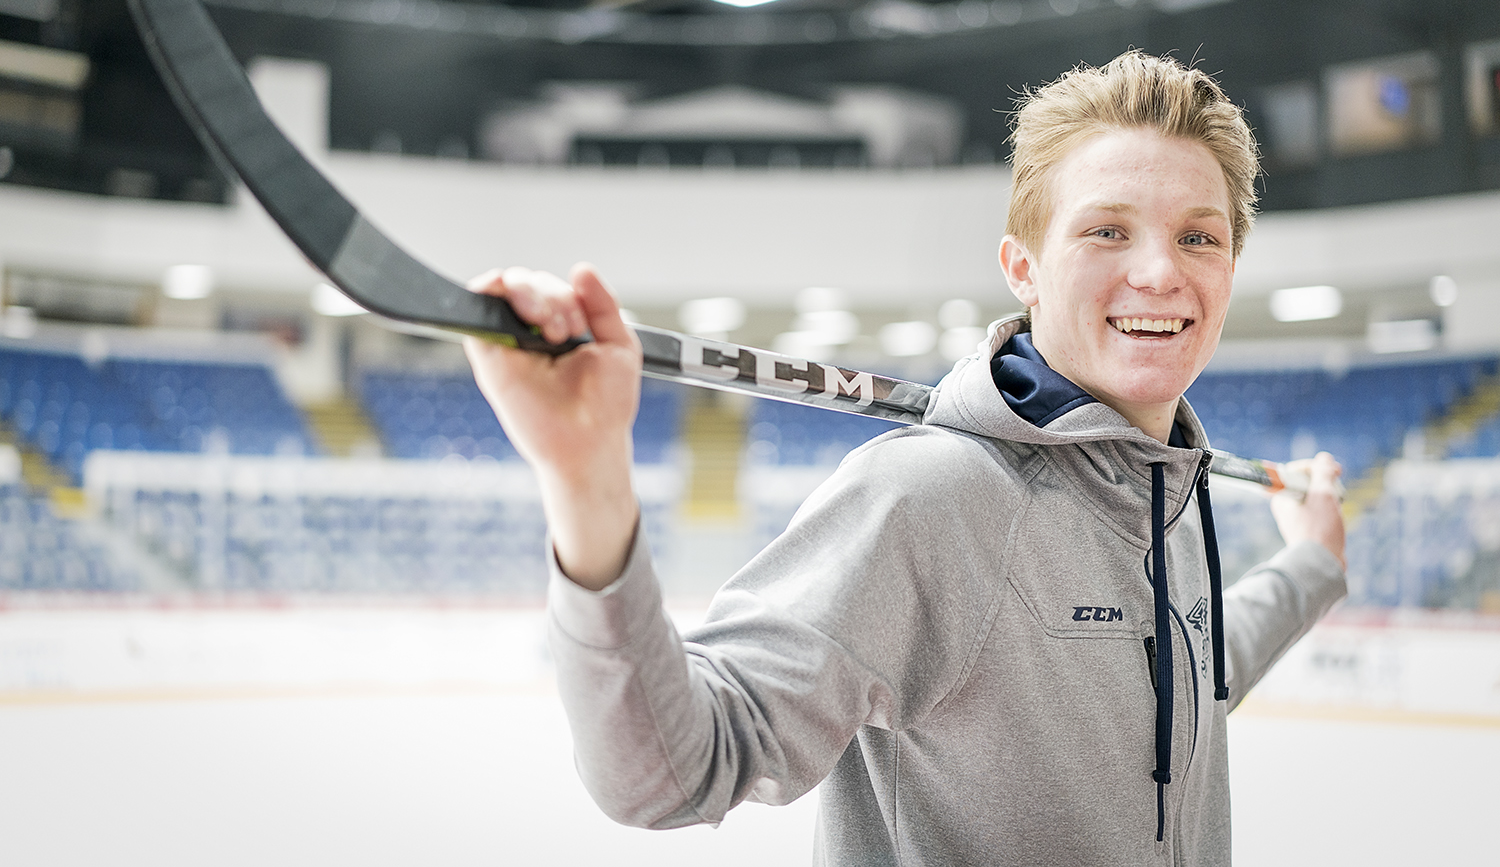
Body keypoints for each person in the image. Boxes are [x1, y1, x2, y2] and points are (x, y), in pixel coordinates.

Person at [462, 51, 1348, 866]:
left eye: (1199, 235)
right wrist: (585, 478)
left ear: (1230, 267)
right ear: (1023, 267)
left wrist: (1312, 562)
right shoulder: (935, 496)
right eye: (1107, 231)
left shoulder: (1169, 488)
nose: (1159, 271)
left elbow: (1189, 670)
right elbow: (671, 770)